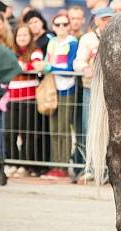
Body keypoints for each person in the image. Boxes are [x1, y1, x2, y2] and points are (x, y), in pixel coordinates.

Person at [34, 13, 78, 178]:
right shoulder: (52, 42)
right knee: (54, 129)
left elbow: (70, 67)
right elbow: (47, 61)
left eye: (64, 24)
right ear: (53, 26)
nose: (61, 27)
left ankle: (63, 166)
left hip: (67, 88)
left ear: (69, 26)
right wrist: (44, 67)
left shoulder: (73, 42)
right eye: (57, 24)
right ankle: (55, 164)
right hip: (52, 88)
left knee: (63, 128)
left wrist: (50, 68)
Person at [74, 6, 115, 177]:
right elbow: (77, 62)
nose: (107, 22)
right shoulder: (88, 39)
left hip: (112, 91)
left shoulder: (117, 35)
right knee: (88, 127)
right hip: (91, 89)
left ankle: (108, 169)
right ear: (96, 20)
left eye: (109, 18)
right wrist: (85, 68)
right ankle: (89, 167)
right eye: (104, 18)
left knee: (111, 130)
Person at [5, 24, 45, 177]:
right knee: (10, 133)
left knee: (27, 134)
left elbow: (36, 65)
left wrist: (22, 66)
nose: (22, 38)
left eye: (25, 35)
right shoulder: (10, 52)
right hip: (13, 98)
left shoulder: (35, 51)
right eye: (19, 35)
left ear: (30, 37)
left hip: (29, 98)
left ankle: (26, 165)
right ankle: (13, 162)